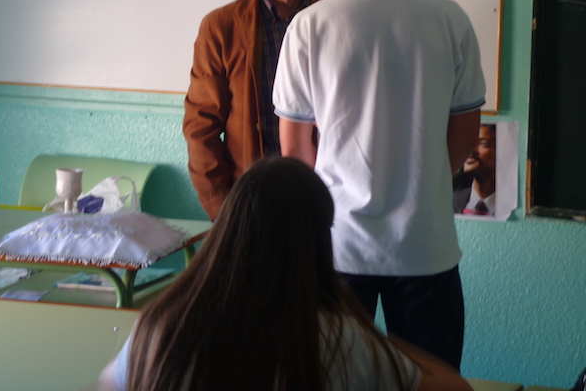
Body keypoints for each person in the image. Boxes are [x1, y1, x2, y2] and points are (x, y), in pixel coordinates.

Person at [273, 0, 486, 370]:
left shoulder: (309, 27)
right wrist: (422, 180)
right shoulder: (449, 20)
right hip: (425, 245)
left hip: (338, 248)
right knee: (432, 380)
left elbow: (296, 151)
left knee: (332, 378)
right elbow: (464, 135)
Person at [96, 157, 473, 391]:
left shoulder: (160, 326)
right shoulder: (342, 340)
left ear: (229, 228)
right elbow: (457, 389)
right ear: (317, 241)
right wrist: (383, 341)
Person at [183, 0, 327, 220]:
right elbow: (201, 129)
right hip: (253, 201)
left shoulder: (337, 16)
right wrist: (225, 211)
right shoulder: (221, 28)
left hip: (326, 196)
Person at [453, 124, 497, 216]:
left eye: (483, 144)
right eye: (467, 143)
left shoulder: (515, 205)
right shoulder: (450, 201)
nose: (471, 150)